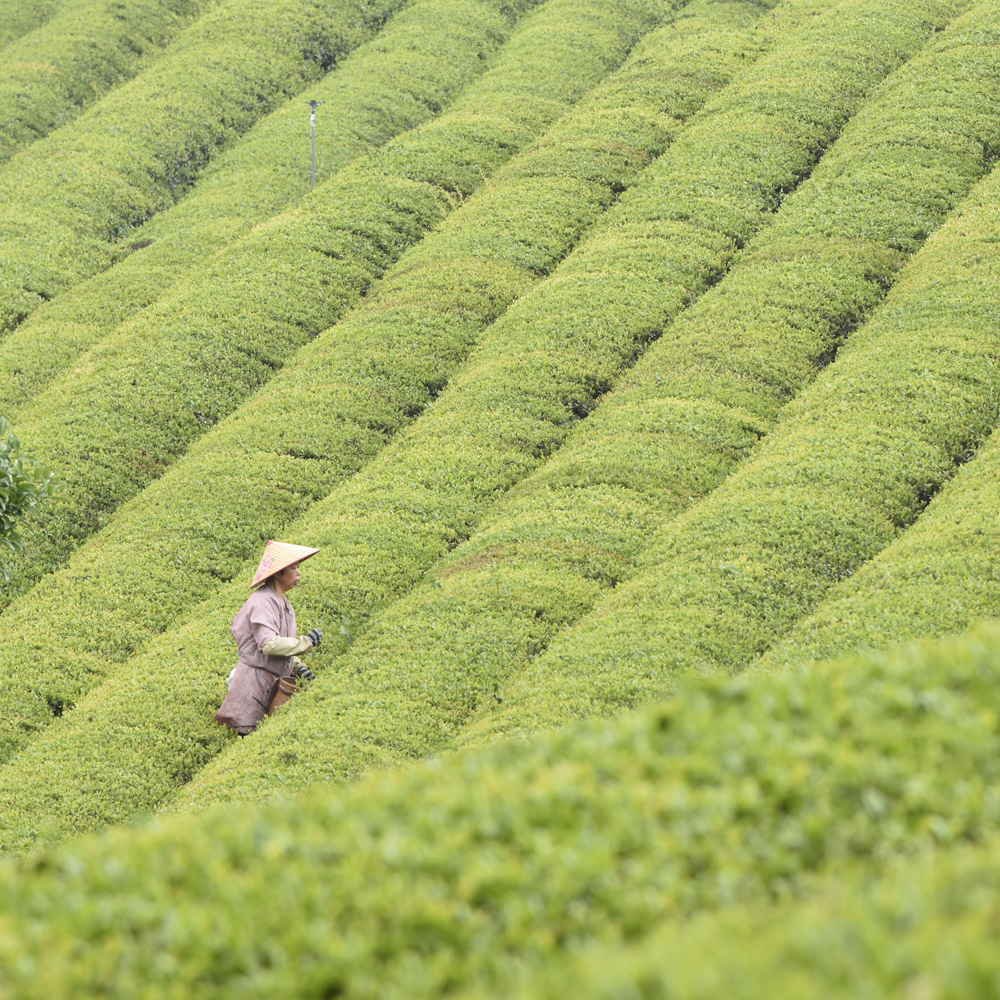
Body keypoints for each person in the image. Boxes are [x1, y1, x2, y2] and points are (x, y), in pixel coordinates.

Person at [215, 540, 323, 736]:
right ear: (279, 572)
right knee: (246, 734)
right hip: (253, 685)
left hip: (271, 684)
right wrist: (305, 643)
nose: (299, 572)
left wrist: (298, 666)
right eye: (294, 568)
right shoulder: (263, 601)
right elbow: (269, 644)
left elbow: (281, 645)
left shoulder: (284, 603)